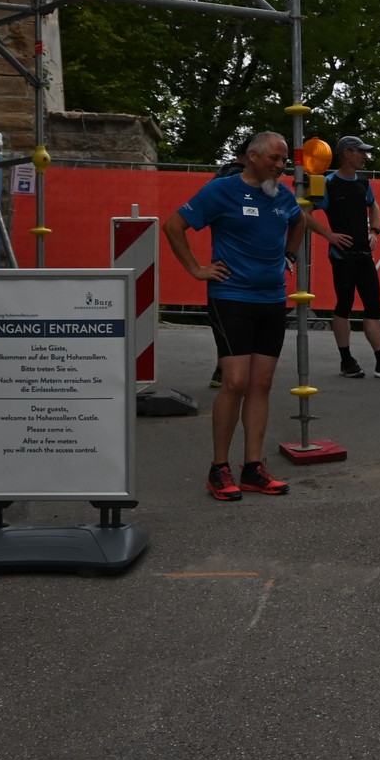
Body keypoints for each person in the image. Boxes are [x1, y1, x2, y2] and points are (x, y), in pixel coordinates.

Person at [162, 131, 305, 501]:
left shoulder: (282, 195)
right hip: (231, 298)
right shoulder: (221, 190)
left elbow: (299, 221)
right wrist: (197, 269)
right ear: (252, 157)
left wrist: (288, 256)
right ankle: (219, 468)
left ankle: (253, 468)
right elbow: (173, 226)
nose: (281, 165)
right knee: (236, 381)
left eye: (284, 159)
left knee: (262, 383)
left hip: (272, 299)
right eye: (274, 158)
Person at [308, 136, 380, 380]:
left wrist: (374, 231)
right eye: (361, 152)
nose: (365, 156)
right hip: (341, 256)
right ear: (347, 153)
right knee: (344, 305)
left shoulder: (363, 182)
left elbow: (374, 205)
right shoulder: (328, 183)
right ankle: (346, 361)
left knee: (373, 306)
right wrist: (329, 235)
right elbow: (303, 213)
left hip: (364, 254)